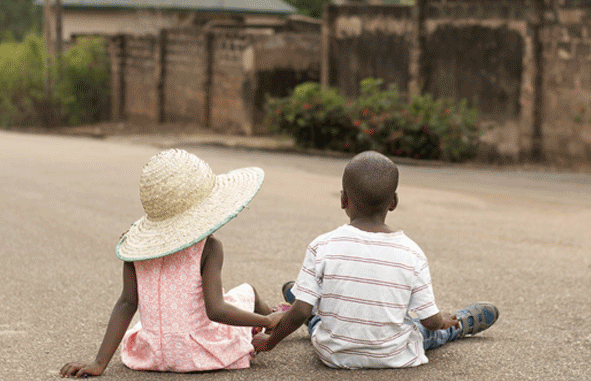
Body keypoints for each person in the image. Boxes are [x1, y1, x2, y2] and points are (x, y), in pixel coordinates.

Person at [252, 150, 499, 369]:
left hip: (334, 355)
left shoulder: (322, 246)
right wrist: (442, 320)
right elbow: (430, 321)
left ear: (343, 199)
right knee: (426, 332)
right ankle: (458, 326)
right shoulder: (413, 253)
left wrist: (269, 343)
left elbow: (297, 313)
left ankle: (307, 299)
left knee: (312, 316)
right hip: (395, 354)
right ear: (393, 202)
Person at [60, 149, 284, 378]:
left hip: (152, 354)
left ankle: (263, 320)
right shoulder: (210, 248)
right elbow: (216, 310)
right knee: (247, 291)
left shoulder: (136, 249)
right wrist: (265, 319)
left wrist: (99, 363)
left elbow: (127, 303)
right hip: (199, 353)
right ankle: (273, 319)